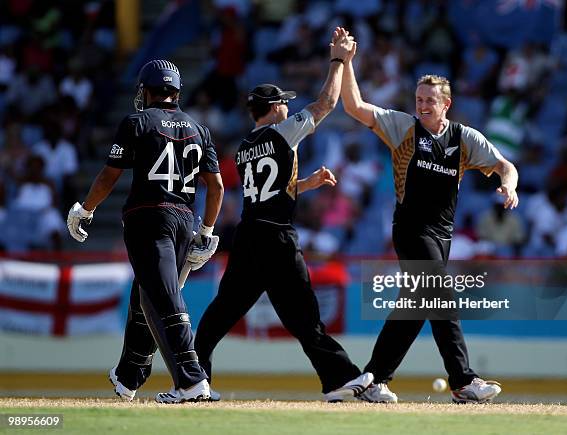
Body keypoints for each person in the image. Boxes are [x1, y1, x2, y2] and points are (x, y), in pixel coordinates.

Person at [194, 28, 374, 402]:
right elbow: (325, 104)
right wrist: (339, 60)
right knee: (304, 315)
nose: (289, 107)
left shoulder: (245, 146)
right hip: (276, 236)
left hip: (249, 235)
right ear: (274, 109)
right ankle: (340, 380)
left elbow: (270, 189)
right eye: (284, 104)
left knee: (221, 314)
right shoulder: (281, 134)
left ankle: (192, 377)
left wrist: (306, 183)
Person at [340, 29, 519, 404]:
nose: (422, 105)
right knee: (439, 295)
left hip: (443, 233)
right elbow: (354, 106)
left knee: (417, 304)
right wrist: (345, 61)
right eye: (418, 99)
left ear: (446, 104)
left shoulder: (464, 139)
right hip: (410, 228)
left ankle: (374, 379)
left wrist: (509, 185)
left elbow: (506, 165)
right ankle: (463, 380)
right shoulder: (403, 128)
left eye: (429, 101)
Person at [66, 59, 224, 403]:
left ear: (147, 89)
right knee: (147, 296)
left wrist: (85, 208)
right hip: (185, 219)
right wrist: (208, 232)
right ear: (177, 90)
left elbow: (109, 175)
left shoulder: (137, 122)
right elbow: (217, 187)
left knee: (164, 298)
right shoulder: (200, 128)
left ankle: (192, 382)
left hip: (148, 217)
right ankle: (128, 377)